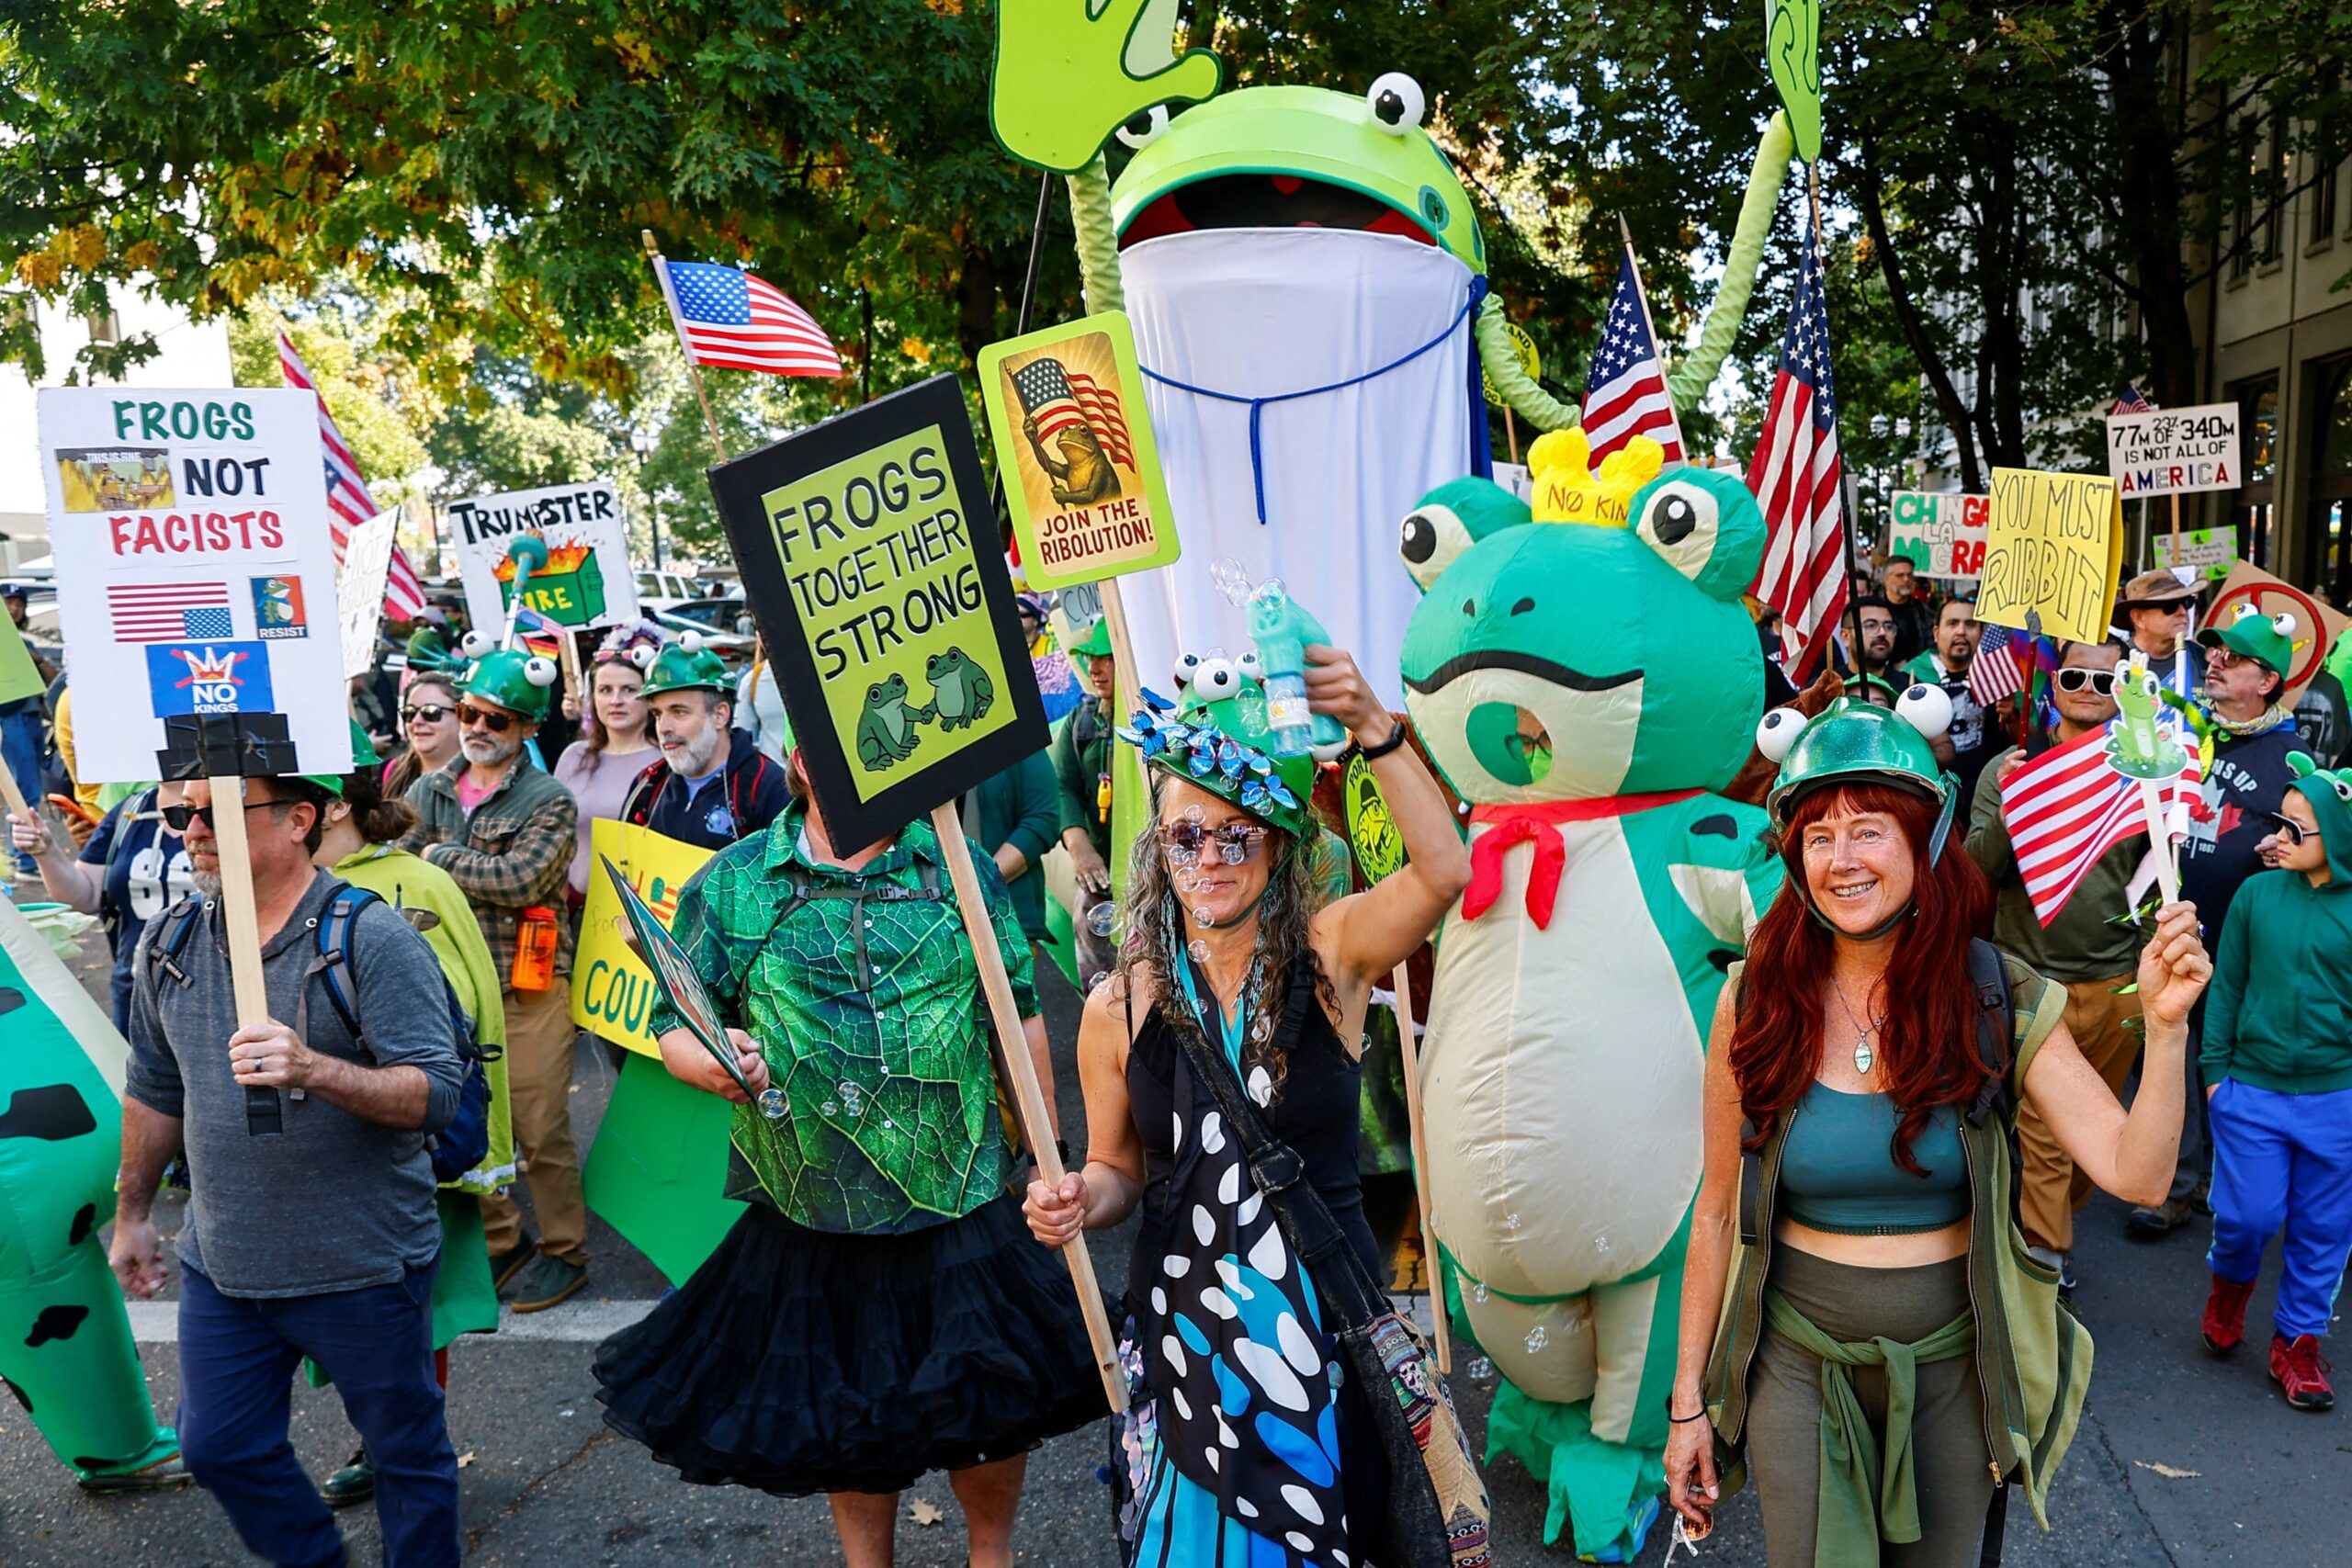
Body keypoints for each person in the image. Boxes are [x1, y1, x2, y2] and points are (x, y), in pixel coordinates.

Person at [1661, 697, 2211, 1561]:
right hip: (1794, 1363)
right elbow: (1718, 1210)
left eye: (1868, 830)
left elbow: (2135, 1174)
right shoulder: (1756, 998)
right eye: (1818, 837)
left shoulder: (1998, 993)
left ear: (1923, 840)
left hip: (1958, 1367)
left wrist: (2168, 1031)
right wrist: (1688, 1403)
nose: (1842, 860)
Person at [592, 743, 1102, 1568]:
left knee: (990, 1398)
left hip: (960, 1194)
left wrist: (1047, 1158)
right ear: (803, 757)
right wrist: (715, 1062)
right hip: (813, 1211)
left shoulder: (960, 865)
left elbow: (1017, 1012)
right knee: (847, 1412)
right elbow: (676, 1021)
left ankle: (992, 1556)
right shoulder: (735, 879)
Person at [1023, 649, 1472, 1566]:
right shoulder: (1117, 1006)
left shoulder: (1331, 955)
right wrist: (1075, 1199)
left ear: (1280, 844)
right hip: (1183, 1333)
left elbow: (1441, 872)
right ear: (1158, 849)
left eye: (1239, 835)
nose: (1210, 858)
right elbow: (1116, 1170)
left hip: (1322, 1326)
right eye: (1187, 836)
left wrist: (1375, 729)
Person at [114, 770, 469, 1567]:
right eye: (181, 814)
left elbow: (435, 1092)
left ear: (299, 818)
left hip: (361, 1265)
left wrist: (314, 1068)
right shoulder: (168, 940)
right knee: (218, 1447)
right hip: (225, 1263)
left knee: (405, 1456)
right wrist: (131, 1212)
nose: (192, 831)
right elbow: (154, 1087)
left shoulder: (370, 936)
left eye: (216, 813)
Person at [310, 725, 514, 1505]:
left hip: (411, 1140)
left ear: (332, 806)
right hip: (320, 1145)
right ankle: (385, 1435)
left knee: (413, 1309)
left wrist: (478, 1143)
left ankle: (403, 1446)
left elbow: (472, 1019)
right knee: (339, 1309)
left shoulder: (420, 884)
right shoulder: (277, 889)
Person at [400, 648, 587, 1312]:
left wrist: (437, 855)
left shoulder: (550, 798)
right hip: (450, 988)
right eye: (470, 712)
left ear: (529, 728)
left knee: (540, 1128)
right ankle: (504, 1239)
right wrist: (443, 860)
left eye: (497, 719)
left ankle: (566, 1251)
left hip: (527, 985)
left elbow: (522, 880)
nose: (478, 727)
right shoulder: (427, 789)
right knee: (469, 1122)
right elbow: (397, 862)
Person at [1968, 640, 2144, 1289]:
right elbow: (1974, 870)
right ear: (2052, 685)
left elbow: (2158, 880)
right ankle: (2045, 1262)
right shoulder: (2011, 766)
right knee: (2044, 1134)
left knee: (2096, 1131)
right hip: (2033, 985)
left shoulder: (2142, 769)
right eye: (2074, 676)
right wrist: (2016, 803)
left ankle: (2048, 1224)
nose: (2089, 688)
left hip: (2119, 986)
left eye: (2105, 677)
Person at [2144, 604, 2306, 1237]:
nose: (2213, 662)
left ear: (2266, 680)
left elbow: (2321, 851)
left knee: (2229, 1060)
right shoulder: (2186, 732)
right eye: (2214, 651)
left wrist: (2286, 850)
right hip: (2177, 928)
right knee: (2172, 1055)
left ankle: (2226, 1181)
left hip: (2248, 945)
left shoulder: (2293, 758)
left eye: (2233, 658)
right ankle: (2171, 1184)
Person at [2197, 756, 2352, 1411]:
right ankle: (2230, 1287)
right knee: (2245, 1216)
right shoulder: (2256, 896)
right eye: (2278, 823)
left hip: (2336, 1100)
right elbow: (2226, 988)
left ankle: (2297, 1342)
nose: (2277, 838)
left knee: (2325, 1228)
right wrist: (2215, 1078)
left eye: (2296, 829)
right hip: (2250, 1092)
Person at [9, 781, 190, 1029]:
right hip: (136, 992)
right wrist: (46, 851)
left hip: (217, 993)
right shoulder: (131, 810)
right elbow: (86, 896)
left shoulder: (238, 812)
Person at [618, 637, 788, 852]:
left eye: (679, 712)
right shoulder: (648, 784)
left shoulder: (768, 786)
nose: (663, 727)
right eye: (658, 714)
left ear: (720, 715)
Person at [553, 621, 663, 901]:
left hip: (637, 906)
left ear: (649, 697)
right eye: (605, 690)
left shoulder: (666, 763)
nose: (616, 700)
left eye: (628, 690)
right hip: (573, 905)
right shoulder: (575, 756)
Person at [1051, 617, 1118, 986]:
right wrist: (1080, 848)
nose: (1094, 668)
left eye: (1106, 657)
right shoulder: (1082, 721)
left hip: (1152, 866)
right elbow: (1064, 786)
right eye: (1091, 658)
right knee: (1098, 958)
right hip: (1101, 871)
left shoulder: (1157, 717)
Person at [964, 747, 1060, 963]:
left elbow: (1042, 818)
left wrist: (980, 884)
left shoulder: (1015, 738)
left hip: (1007, 923)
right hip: (929, 923)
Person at [1904, 594, 2000, 801]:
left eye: (1970, 624)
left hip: (1983, 792)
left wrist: (2011, 716)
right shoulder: (1911, 677)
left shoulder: (1998, 677)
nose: (1961, 631)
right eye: (1952, 623)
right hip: (1928, 793)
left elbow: (2023, 738)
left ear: (1982, 633)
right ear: (1936, 633)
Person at [2, 582, 54, 876]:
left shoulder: (25, 643)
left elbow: (52, 681)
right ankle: (23, 859)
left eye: (18, 604)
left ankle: (23, 857)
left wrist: (37, 659)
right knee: (23, 790)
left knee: (29, 787)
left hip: (31, 718)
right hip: (11, 719)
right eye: (7, 602)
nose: (13, 609)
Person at [2116, 568, 2205, 701]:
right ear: (2138, 618)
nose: (2183, 612)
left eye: (2187, 603)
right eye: (2170, 606)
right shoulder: (2116, 664)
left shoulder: (2202, 659)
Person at [381, 673, 463, 801]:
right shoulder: (392, 770)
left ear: (461, 716)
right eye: (409, 712)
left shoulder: (479, 777)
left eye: (431, 712)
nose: (416, 721)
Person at [1880, 555, 1935, 668]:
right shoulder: (1874, 609)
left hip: (1918, 672)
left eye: (1909, 575)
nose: (1906, 580)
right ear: (1886, 579)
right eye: (1900, 575)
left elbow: (1930, 647)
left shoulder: (1922, 609)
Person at [1849, 595, 1902, 689]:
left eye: (1888, 626)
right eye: (1871, 625)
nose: (1882, 633)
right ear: (1846, 637)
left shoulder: (1908, 688)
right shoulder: (1829, 688)